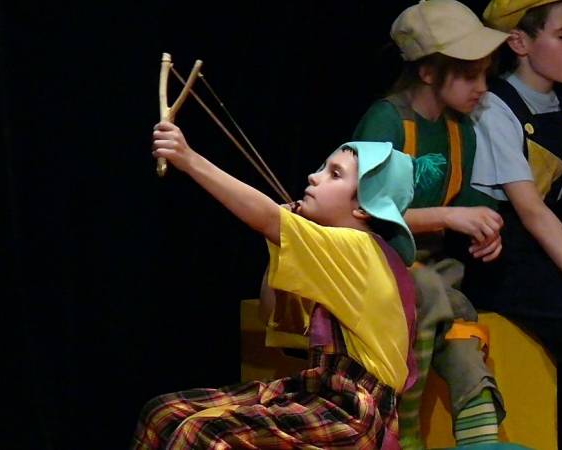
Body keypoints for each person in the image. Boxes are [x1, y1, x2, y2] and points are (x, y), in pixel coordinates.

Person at [131, 119, 443, 449]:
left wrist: (189, 158)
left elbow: (266, 217)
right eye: (323, 168)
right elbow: (272, 312)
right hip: (321, 393)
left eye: (334, 174)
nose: (314, 176)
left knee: (203, 432)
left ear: (364, 208)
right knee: (163, 413)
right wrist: (279, 241)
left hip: (353, 413)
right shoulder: (334, 257)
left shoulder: (360, 249)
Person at [352, 1, 509, 447]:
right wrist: (447, 216)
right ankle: (405, 428)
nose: (482, 88)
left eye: (485, 74)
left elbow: (468, 201)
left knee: (458, 332)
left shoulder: (461, 129)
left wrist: (486, 228)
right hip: (377, 265)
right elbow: (359, 213)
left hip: (432, 273)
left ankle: (480, 430)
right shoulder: (388, 121)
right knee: (430, 293)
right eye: (469, 75)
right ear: (426, 72)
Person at [457, 1, 562, 448]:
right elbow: (531, 212)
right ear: (519, 42)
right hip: (498, 252)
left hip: (547, 241)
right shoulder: (495, 108)